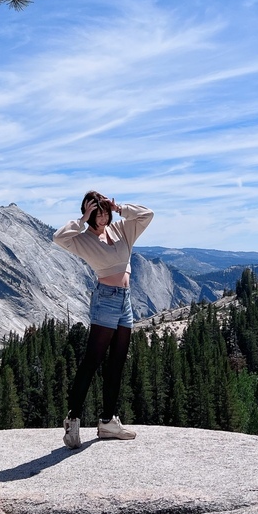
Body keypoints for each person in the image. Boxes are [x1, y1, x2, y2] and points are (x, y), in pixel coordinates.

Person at [52, 191, 154, 448]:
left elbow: (147, 215)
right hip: (105, 300)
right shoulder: (82, 239)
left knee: (117, 364)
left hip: (125, 301)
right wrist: (82, 217)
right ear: (89, 215)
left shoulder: (121, 229)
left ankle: (108, 421)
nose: (102, 216)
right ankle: (72, 419)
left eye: (104, 211)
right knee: (92, 362)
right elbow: (58, 237)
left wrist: (119, 207)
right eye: (96, 213)